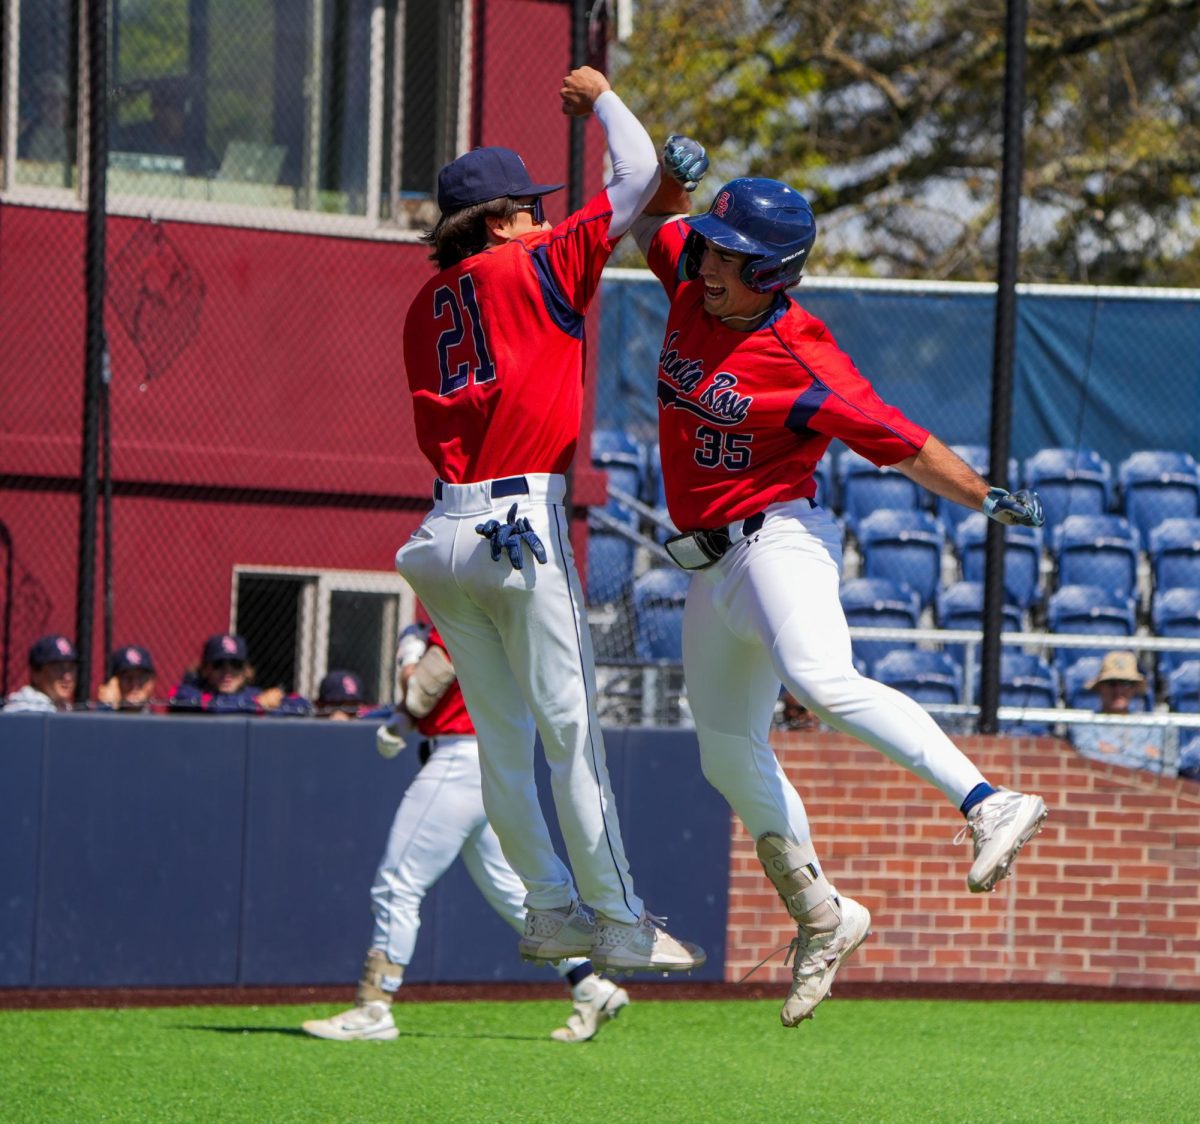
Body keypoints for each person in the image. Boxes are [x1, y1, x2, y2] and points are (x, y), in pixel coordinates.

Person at [629, 146, 1049, 1026]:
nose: (704, 259)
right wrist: (672, 182)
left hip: (780, 537)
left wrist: (985, 496)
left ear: (771, 271)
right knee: (722, 753)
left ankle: (989, 800)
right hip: (709, 566)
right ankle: (824, 915)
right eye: (705, 245)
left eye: (725, 252)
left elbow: (900, 437)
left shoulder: (802, 351)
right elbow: (646, 218)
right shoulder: (691, 280)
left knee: (819, 679)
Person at [395, 65, 703, 974]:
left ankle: (549, 908)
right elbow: (639, 169)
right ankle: (617, 916)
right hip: (518, 521)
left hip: (440, 537)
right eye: (525, 206)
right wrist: (603, 97)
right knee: (570, 732)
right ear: (497, 221)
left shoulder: (422, 305)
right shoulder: (535, 255)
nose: (538, 214)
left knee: (500, 741)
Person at [302, 622, 629, 1044]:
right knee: (514, 893)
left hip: (461, 760)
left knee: (396, 886)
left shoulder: (464, 610)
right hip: (498, 763)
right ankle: (590, 986)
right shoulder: (509, 617)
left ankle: (374, 1006)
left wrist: (407, 657)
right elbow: (435, 699)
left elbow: (420, 690)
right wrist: (402, 723)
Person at [1070, 650, 1166, 773]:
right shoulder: (1084, 724)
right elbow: (1089, 763)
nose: (1118, 690)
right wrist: (1142, 755)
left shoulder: (1150, 727)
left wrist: (1112, 752)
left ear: (1134, 688)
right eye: (1111, 683)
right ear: (1100, 687)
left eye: (1125, 683)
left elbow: (1161, 767)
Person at [169, 632, 288, 714]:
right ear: (205, 669)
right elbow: (216, 708)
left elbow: (301, 704)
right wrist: (256, 705)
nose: (227, 672)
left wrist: (274, 703)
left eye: (236, 665)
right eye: (219, 664)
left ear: (245, 671)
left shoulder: (255, 695)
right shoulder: (189, 692)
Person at [3, 634, 78, 713]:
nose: (67, 677)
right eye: (58, 668)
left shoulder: (64, 706)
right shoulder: (25, 709)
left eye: (71, 668)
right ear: (36, 673)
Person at [97, 645, 158, 712]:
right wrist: (106, 707)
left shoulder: (161, 721)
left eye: (141, 677)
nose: (134, 684)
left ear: (152, 682)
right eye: (127, 677)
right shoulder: (100, 716)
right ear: (114, 682)